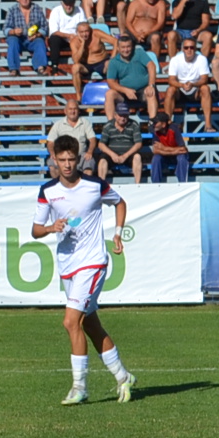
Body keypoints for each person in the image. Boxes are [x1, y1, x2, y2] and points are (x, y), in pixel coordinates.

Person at [33, 137, 134, 406]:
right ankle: (123, 376)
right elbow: (35, 230)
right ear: (54, 160)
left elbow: (120, 203)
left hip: (92, 262)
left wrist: (118, 233)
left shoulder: (94, 185)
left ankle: (80, 387)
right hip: (67, 265)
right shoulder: (47, 191)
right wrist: (50, 228)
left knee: (70, 322)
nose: (67, 165)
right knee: (89, 324)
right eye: (62, 160)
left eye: (71, 159)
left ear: (78, 159)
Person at [95, 99, 144, 182]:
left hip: (129, 155)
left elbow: (138, 143)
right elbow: (101, 144)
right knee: (102, 161)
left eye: (125, 115)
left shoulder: (134, 125)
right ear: (115, 115)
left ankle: (137, 185)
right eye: (120, 115)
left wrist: (125, 155)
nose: (123, 118)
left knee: (137, 157)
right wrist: (112, 155)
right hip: (111, 155)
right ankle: (102, 184)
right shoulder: (108, 126)